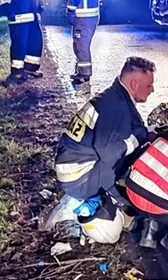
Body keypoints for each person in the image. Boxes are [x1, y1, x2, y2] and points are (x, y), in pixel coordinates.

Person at [45, 57, 156, 243]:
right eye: (149, 85)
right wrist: (140, 137)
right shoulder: (117, 109)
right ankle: (124, 208)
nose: (152, 90)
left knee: (131, 149)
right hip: (79, 181)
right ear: (134, 83)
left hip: (72, 171)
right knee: (132, 153)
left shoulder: (111, 98)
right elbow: (110, 154)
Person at [67, 0, 106, 85]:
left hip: (81, 17)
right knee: (84, 44)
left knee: (80, 45)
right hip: (94, 17)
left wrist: (70, 12)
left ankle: (84, 74)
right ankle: (82, 71)